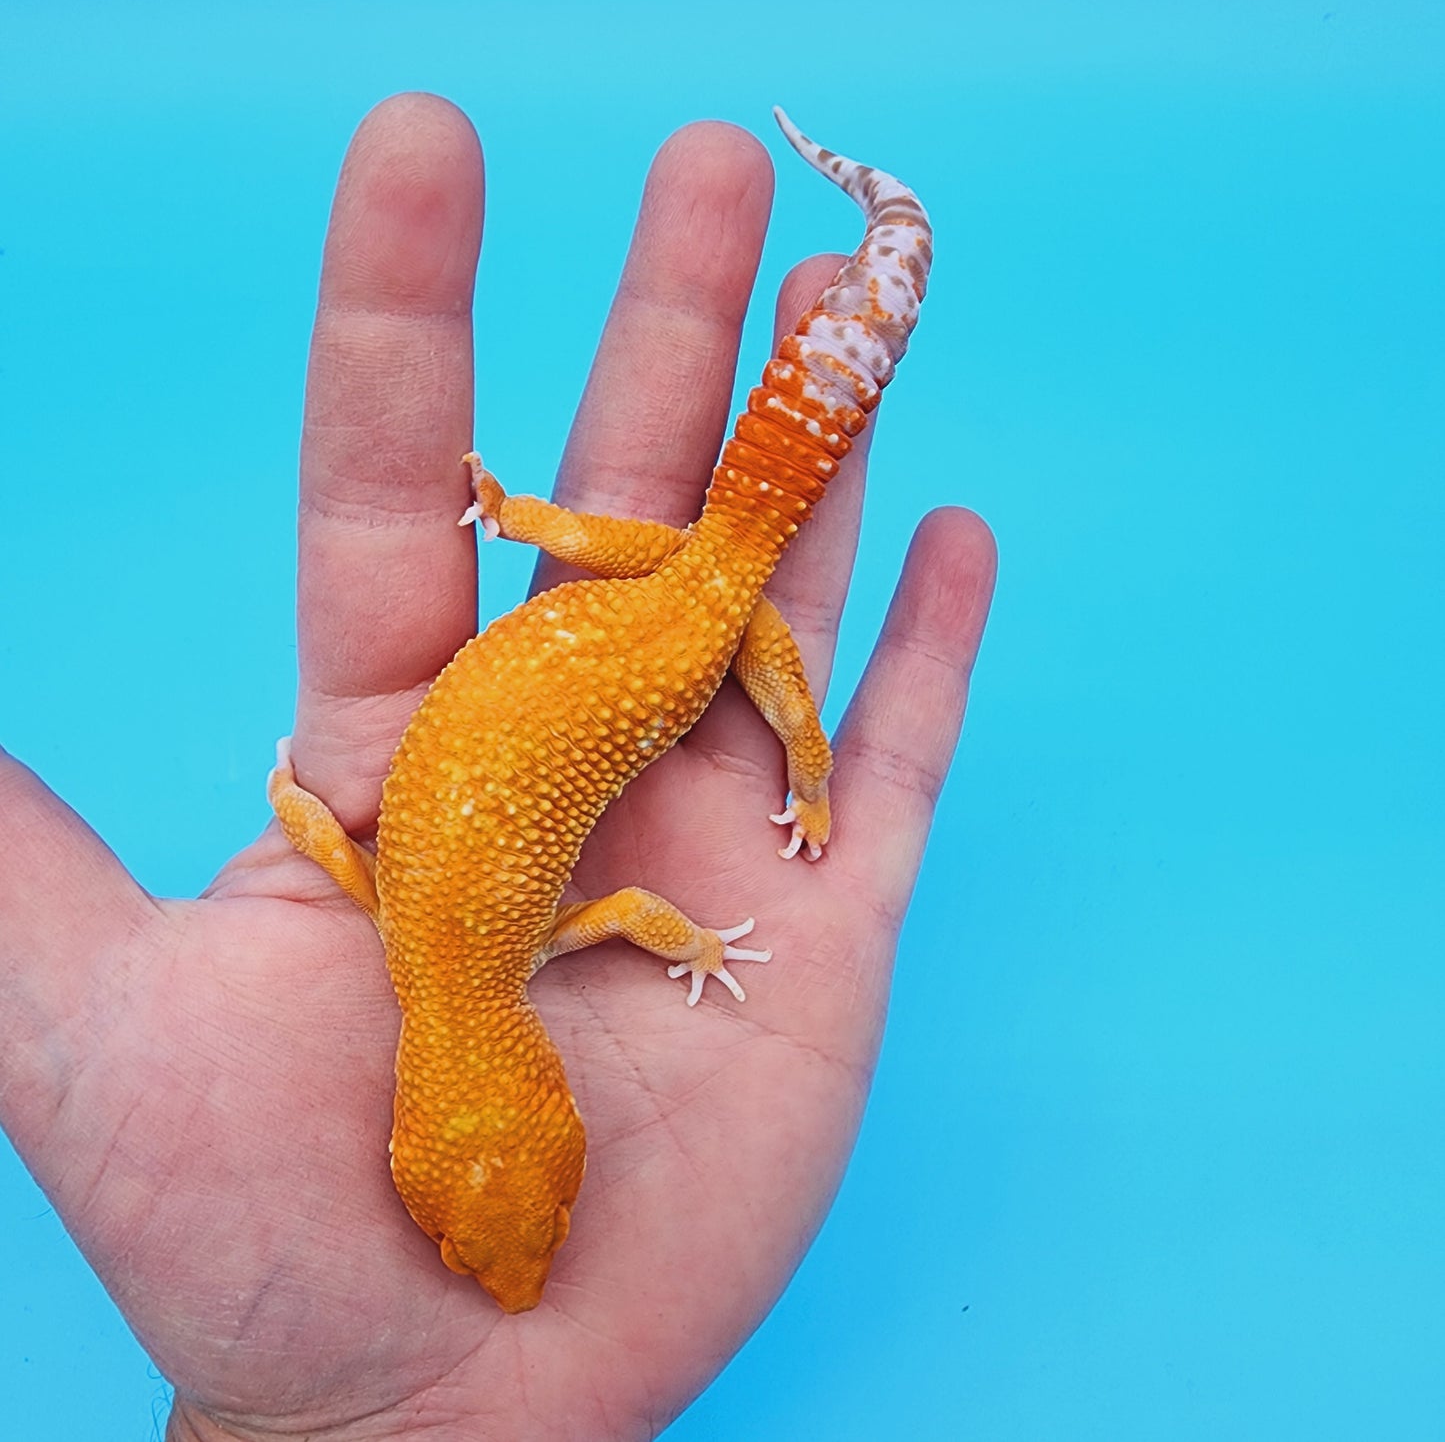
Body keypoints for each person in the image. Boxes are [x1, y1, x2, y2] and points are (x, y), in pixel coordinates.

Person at [0, 94, 996, 1440]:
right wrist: (301, 803)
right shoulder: (422, 951)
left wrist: (777, 814)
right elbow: (355, 859)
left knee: (737, 582)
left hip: (695, 607)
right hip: (682, 603)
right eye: (528, 1235)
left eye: (482, 1249)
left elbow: (592, 913)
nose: (517, 1285)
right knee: (730, 573)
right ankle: (883, 221)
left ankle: (890, 221)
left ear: (422, 1152)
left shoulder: (470, 956)